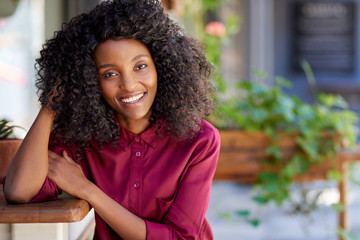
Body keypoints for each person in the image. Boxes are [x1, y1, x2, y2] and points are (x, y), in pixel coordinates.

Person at [4, 0, 220, 239]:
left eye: (140, 66)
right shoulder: (83, 136)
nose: (128, 85)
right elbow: (18, 192)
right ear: (89, 81)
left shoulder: (199, 140)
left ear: (160, 65)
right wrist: (50, 105)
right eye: (110, 73)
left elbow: (181, 237)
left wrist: (88, 190)